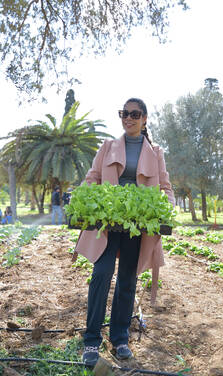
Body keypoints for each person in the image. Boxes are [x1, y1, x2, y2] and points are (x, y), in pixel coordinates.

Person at [73, 98, 175, 367]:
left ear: (144, 118)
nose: (128, 118)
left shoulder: (155, 151)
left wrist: (166, 208)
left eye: (134, 113)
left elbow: (165, 187)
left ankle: (119, 338)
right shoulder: (107, 147)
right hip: (108, 220)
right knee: (101, 273)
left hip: (136, 224)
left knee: (128, 278)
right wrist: (81, 198)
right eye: (124, 113)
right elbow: (92, 177)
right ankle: (92, 339)